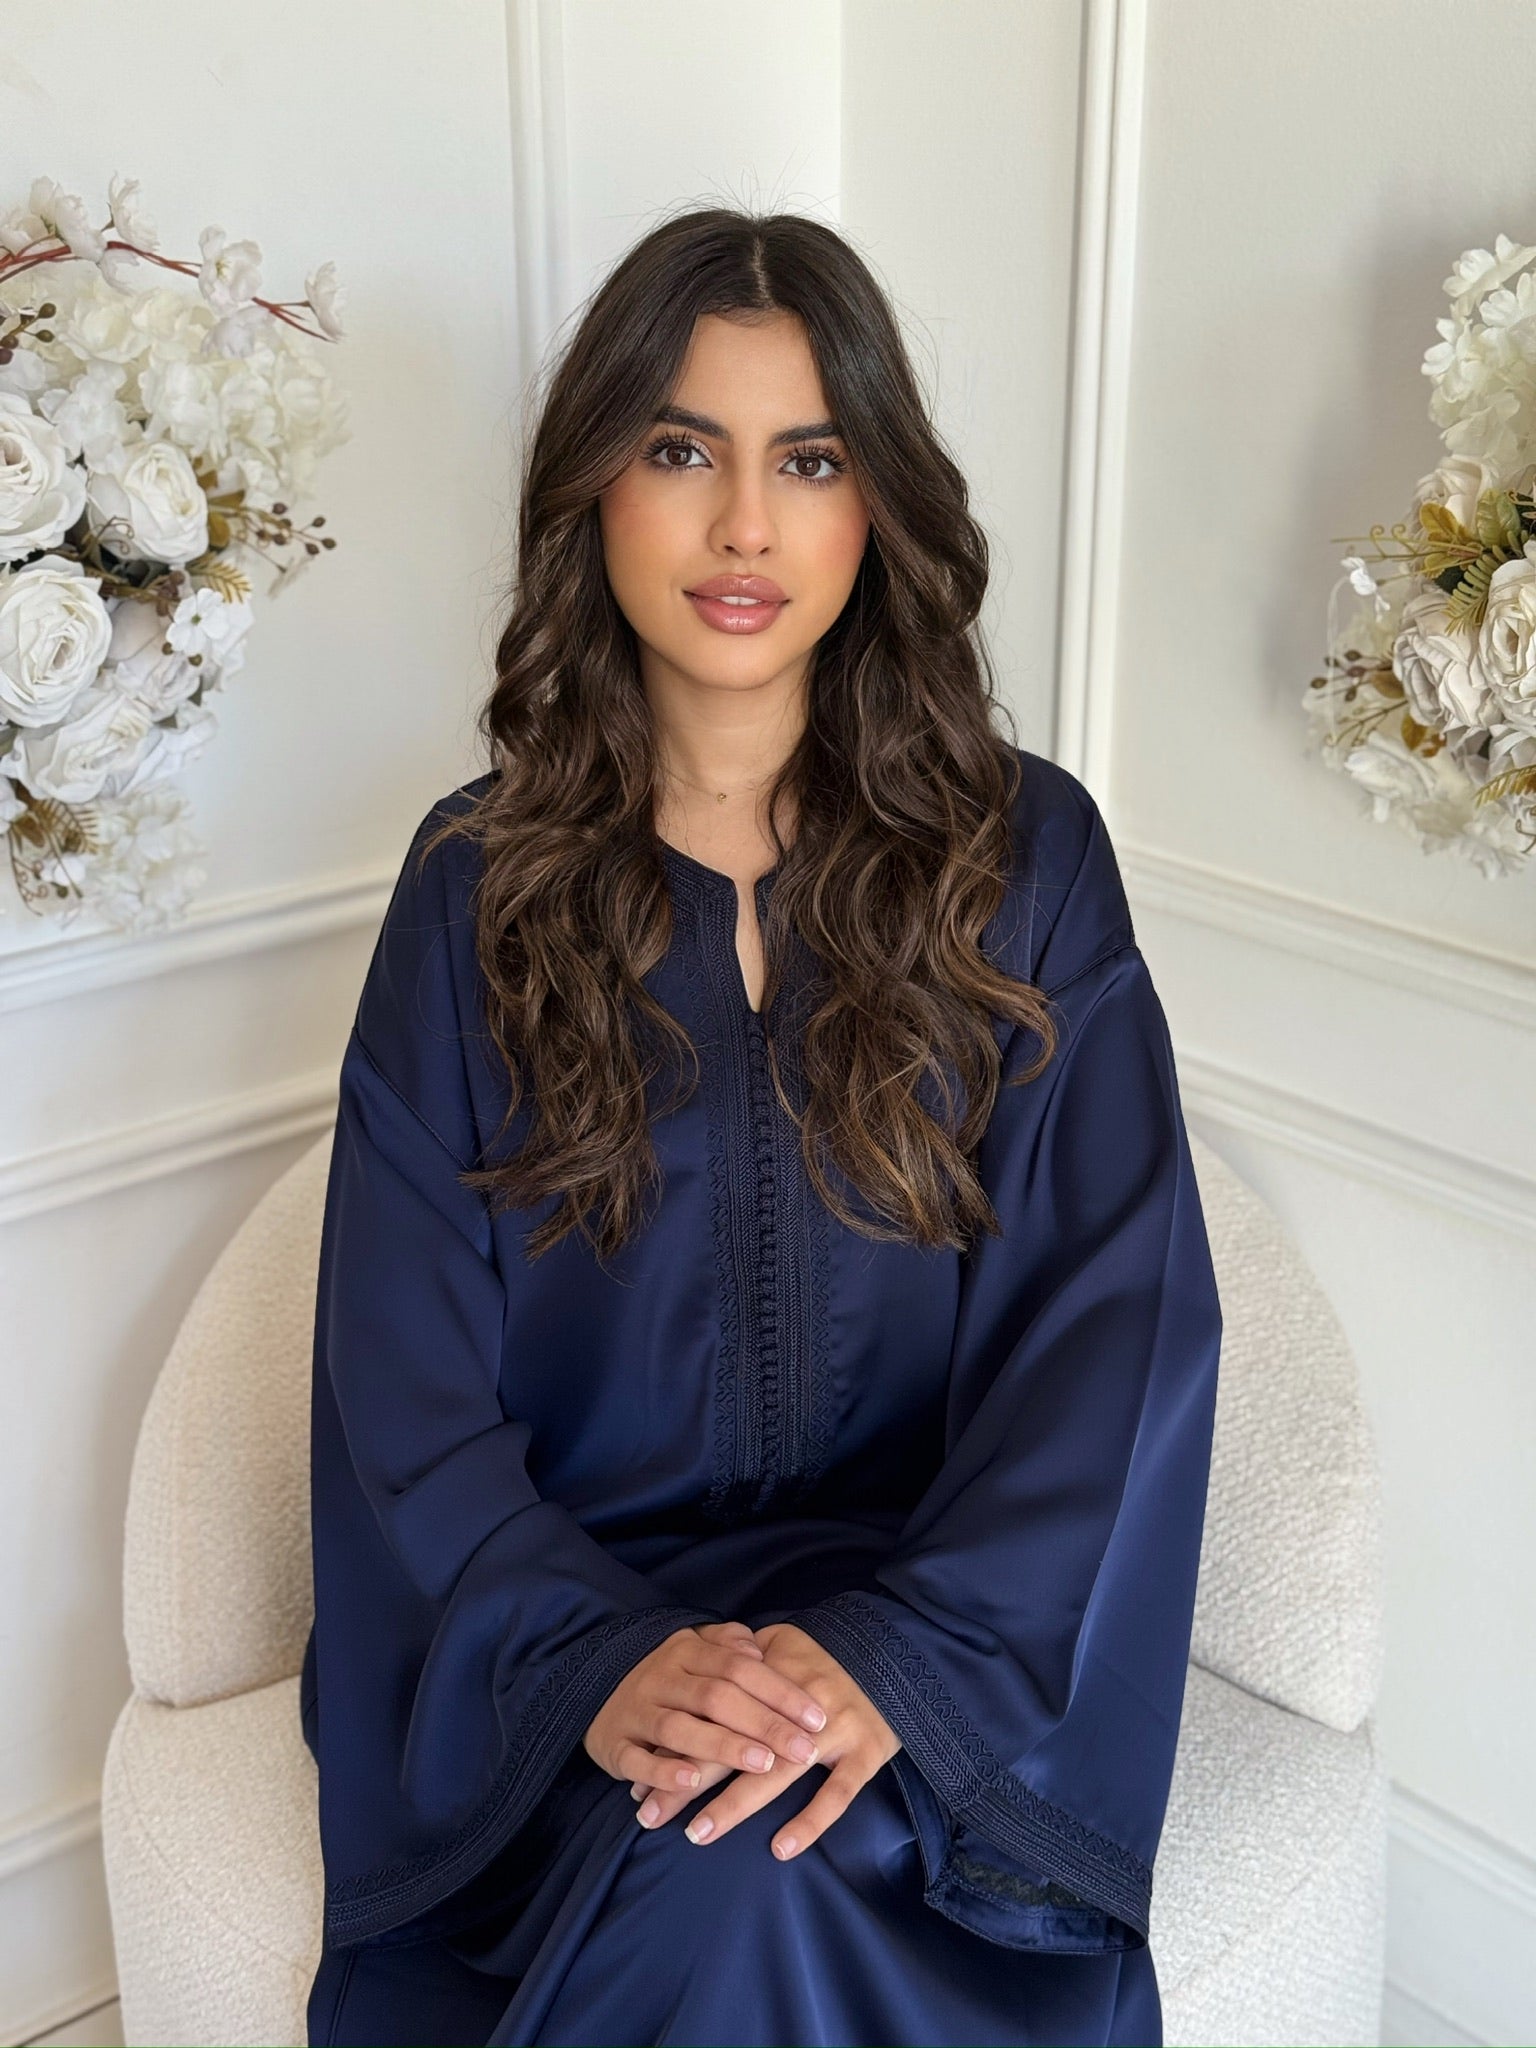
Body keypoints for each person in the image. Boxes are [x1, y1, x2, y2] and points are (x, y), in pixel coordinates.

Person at [299, 204, 1223, 2048]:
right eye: (679, 450)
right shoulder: (473, 889)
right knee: (699, 1843)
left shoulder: (1024, 865)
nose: (745, 526)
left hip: (937, 1657)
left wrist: (899, 1661)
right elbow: (397, 1372)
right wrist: (597, 1656)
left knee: (749, 1862)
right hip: (566, 1657)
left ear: (874, 505)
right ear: (595, 496)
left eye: (808, 459)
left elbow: (1114, 1331)